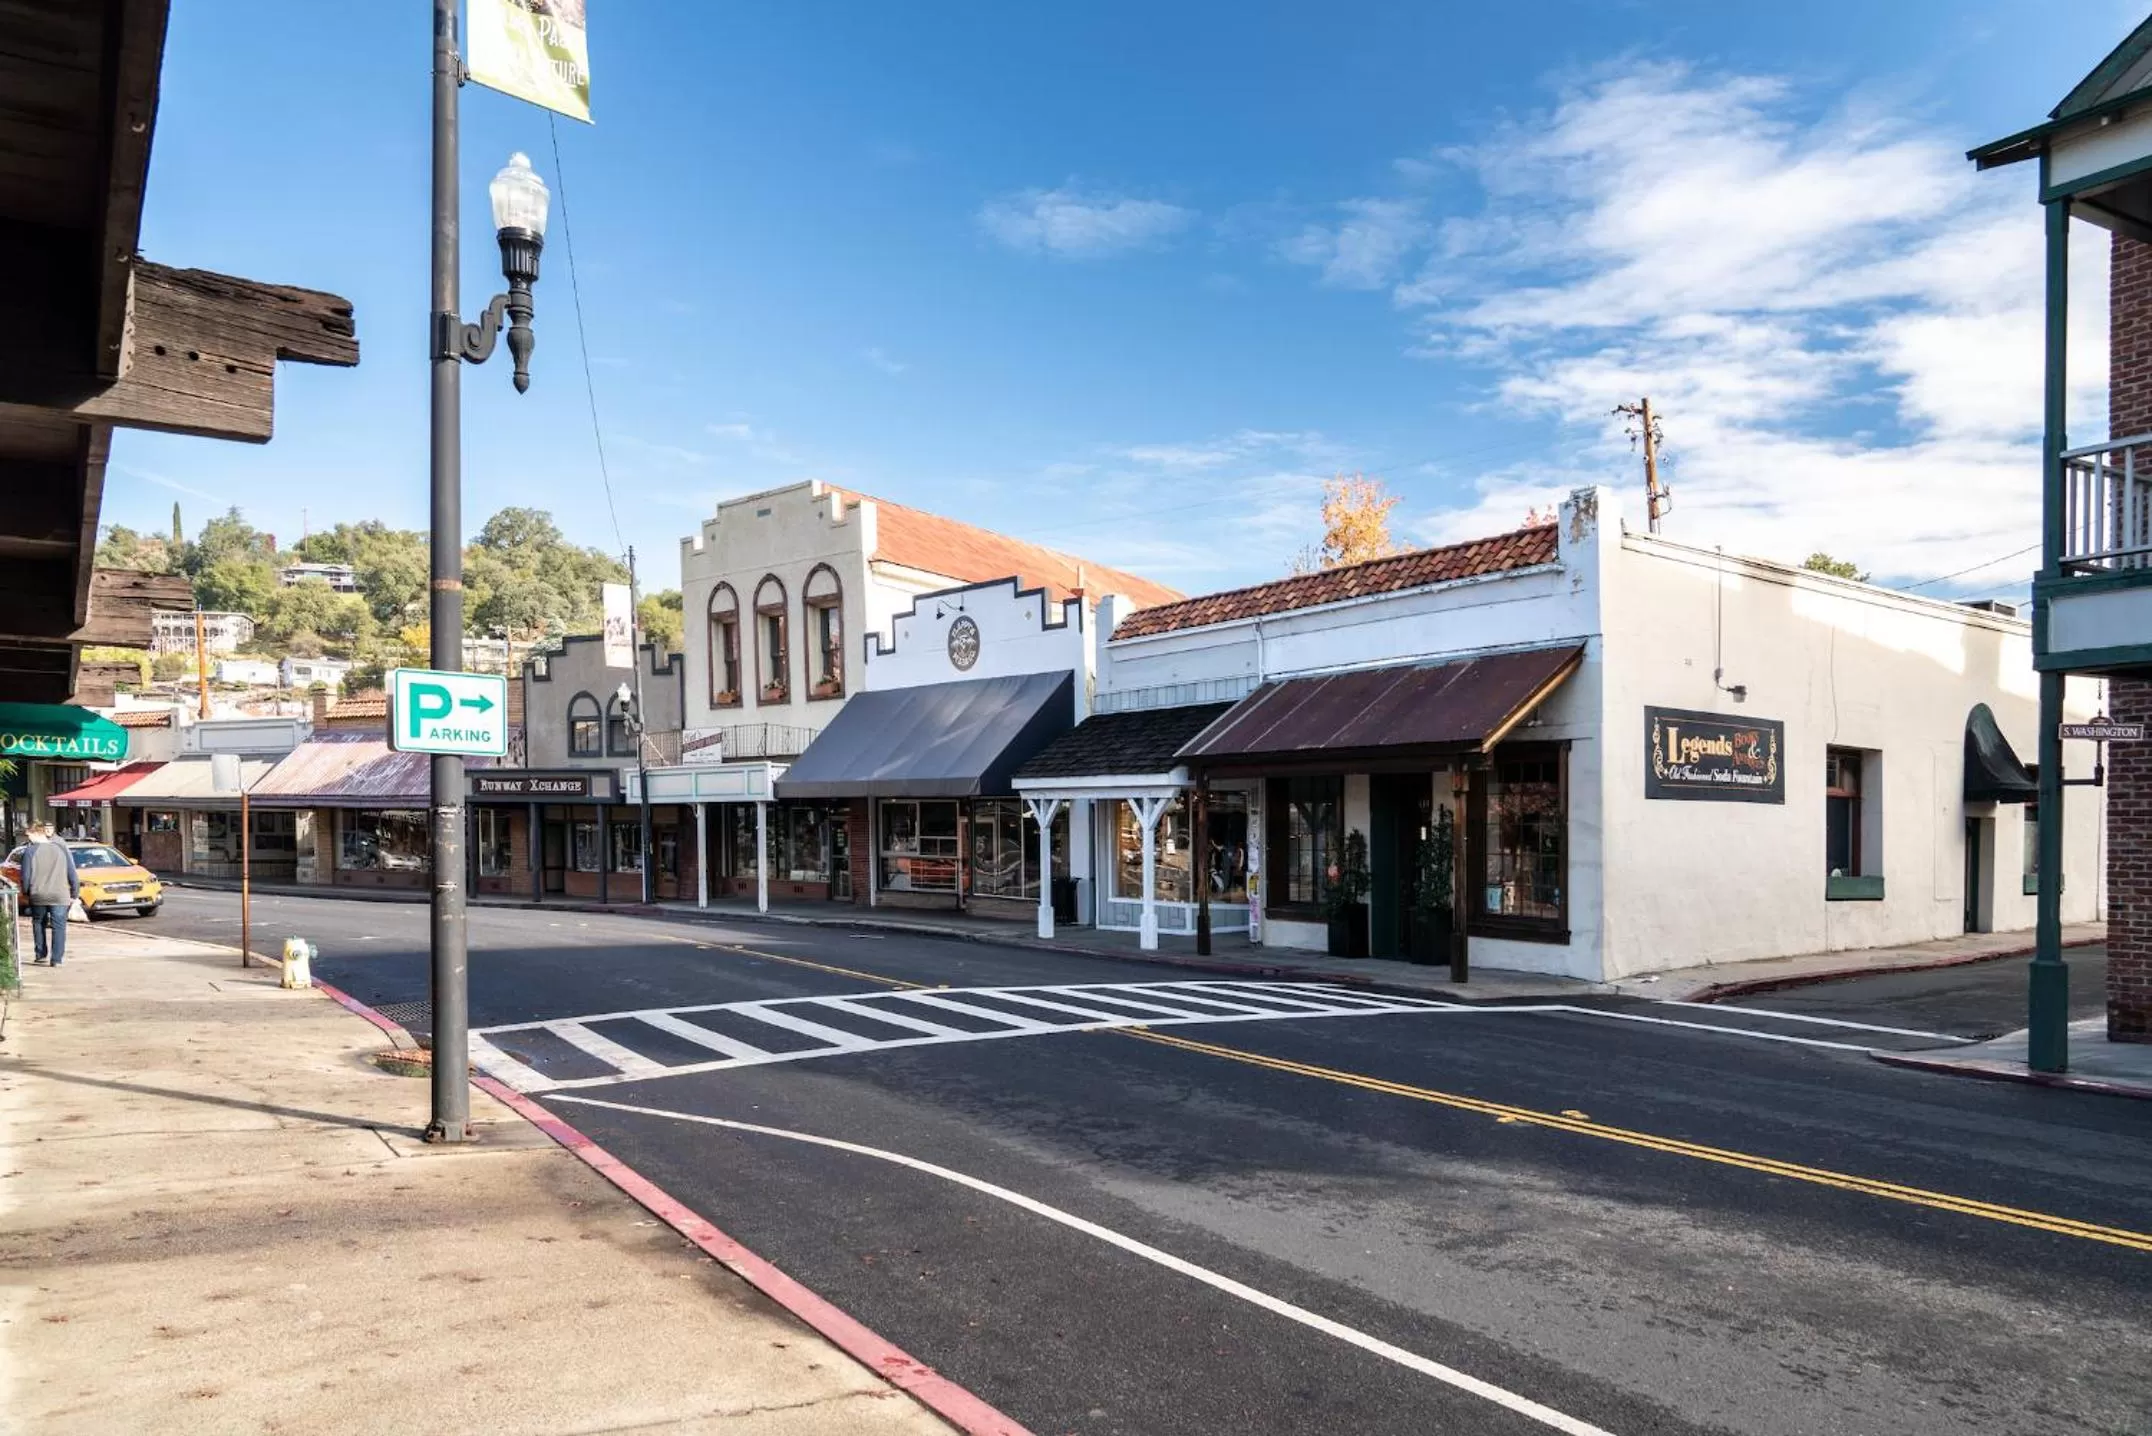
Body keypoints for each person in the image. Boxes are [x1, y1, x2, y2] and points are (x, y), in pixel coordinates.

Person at [21, 824, 79, 967]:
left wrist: (27, 891)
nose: (28, 839)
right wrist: (74, 892)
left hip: (38, 894)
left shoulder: (30, 851)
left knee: (38, 923)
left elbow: (26, 876)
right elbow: (72, 873)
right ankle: (57, 959)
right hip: (60, 894)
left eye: (29, 836)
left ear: (37, 834)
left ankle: (40, 954)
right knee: (59, 926)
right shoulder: (61, 849)